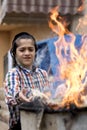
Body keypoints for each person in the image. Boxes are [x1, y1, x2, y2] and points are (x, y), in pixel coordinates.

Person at [4, 32, 50, 130]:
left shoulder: (42, 73)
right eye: (22, 50)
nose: (27, 53)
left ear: (35, 52)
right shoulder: (14, 74)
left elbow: (48, 96)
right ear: (14, 53)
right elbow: (11, 96)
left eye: (30, 49)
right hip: (20, 126)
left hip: (40, 124)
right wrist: (18, 96)